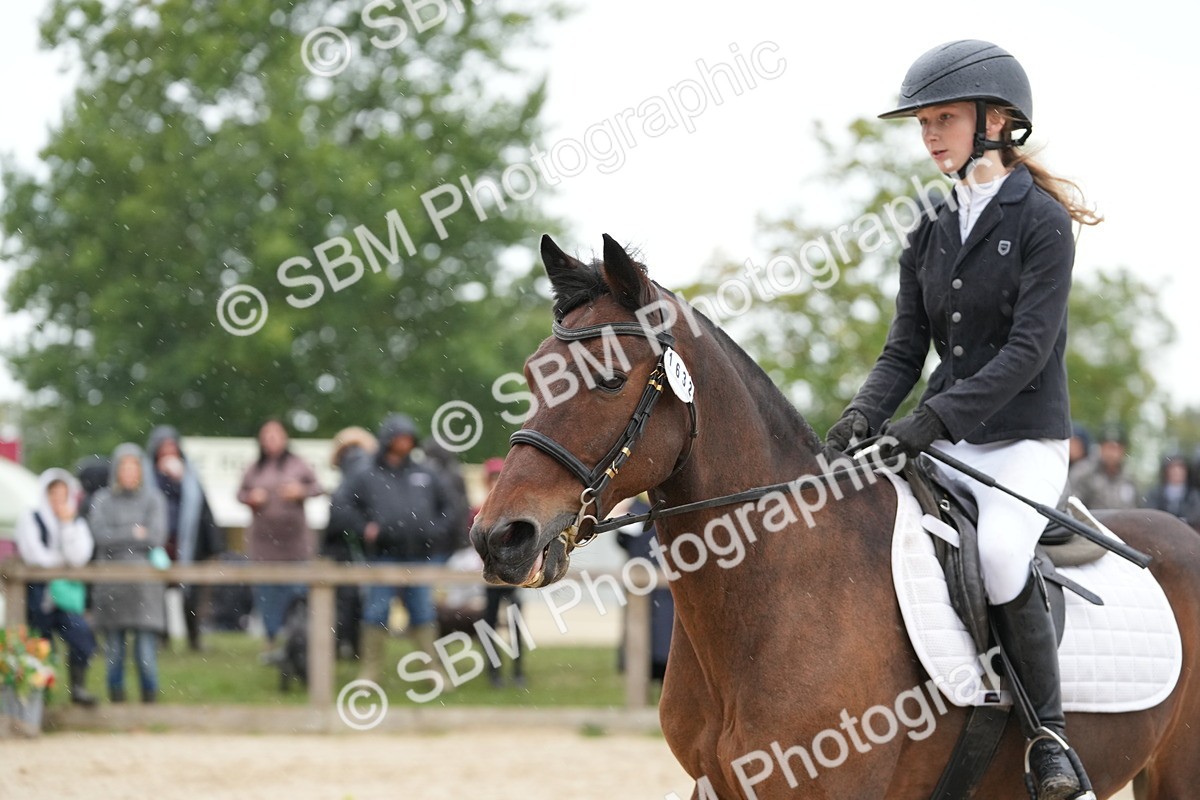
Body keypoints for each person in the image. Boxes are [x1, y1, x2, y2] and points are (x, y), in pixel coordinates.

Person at [824, 40, 1099, 798]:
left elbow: (1027, 351)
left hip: (1023, 442)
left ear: (996, 121)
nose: (930, 135)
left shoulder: (1042, 221)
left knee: (1003, 555)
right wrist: (859, 418)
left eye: (943, 119)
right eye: (923, 123)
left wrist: (934, 419)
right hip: (945, 439)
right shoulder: (930, 224)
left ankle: (1049, 740)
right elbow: (904, 349)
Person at [342, 413, 455, 682]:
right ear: (388, 439)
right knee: (376, 611)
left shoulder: (425, 472)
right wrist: (364, 528)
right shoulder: (366, 473)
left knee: (423, 611)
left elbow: (451, 507)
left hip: (420, 556)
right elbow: (342, 505)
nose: (405, 442)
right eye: (400, 437)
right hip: (382, 556)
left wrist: (434, 530)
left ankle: (432, 670)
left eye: (408, 438)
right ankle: (370, 672)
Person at [236, 419, 324, 657]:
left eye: (276, 435)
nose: (272, 440)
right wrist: (252, 498)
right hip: (263, 546)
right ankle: (271, 639)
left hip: (295, 546)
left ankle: (296, 641)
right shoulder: (254, 468)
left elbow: (318, 488)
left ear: (285, 438)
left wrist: (300, 492)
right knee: (267, 596)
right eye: (267, 435)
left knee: (296, 594)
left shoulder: (298, 464)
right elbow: (240, 494)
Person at [89, 444, 168, 703]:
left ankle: (149, 704)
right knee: (114, 652)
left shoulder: (153, 499)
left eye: (134, 467)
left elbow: (156, 536)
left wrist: (120, 536)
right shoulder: (102, 500)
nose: (129, 472)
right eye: (124, 466)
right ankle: (116, 704)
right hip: (112, 586)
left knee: (145, 654)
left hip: (145, 587)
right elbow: (101, 536)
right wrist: (134, 532)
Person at [15, 468, 100, 706]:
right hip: (38, 597)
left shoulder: (76, 522)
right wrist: (61, 562)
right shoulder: (32, 518)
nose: (58, 500)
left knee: (81, 636)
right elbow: (34, 555)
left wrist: (66, 526)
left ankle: (78, 687)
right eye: (53, 494)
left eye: (63, 494)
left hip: (66, 598)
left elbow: (79, 556)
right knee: (40, 647)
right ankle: (38, 699)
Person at [146, 425, 223, 651]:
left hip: (187, 542)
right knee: (156, 590)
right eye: (164, 448)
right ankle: (162, 637)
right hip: (160, 542)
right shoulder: (148, 476)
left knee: (191, 593)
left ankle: (194, 638)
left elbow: (203, 511)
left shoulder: (189, 477)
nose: (168, 452)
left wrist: (214, 546)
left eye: (172, 447)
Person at [323, 425, 378, 659]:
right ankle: (356, 648)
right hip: (359, 546)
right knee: (359, 599)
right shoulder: (368, 469)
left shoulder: (352, 471)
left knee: (344, 600)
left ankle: (341, 647)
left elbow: (340, 510)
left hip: (345, 546)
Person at [471, 457, 526, 688]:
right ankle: (494, 671)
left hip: (512, 576)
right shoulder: (479, 511)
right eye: (492, 479)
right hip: (490, 577)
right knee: (490, 622)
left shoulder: (518, 511)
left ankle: (517, 670)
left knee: (515, 624)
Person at [615, 494, 673, 685]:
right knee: (649, 638)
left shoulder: (671, 506)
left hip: (668, 589)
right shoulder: (634, 510)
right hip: (644, 589)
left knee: (665, 636)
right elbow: (622, 539)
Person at [1071, 425, 1138, 510]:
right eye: (1109, 447)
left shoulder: (1130, 478)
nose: (1112, 453)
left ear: (1123, 450)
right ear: (1100, 447)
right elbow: (1074, 506)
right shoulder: (1084, 472)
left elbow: (1137, 508)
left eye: (1116, 448)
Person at [1143, 455, 1200, 530]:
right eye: (1172, 468)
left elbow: (1195, 515)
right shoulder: (1155, 494)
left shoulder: (1193, 495)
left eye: (1180, 468)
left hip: (1187, 531)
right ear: (1166, 471)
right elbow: (1149, 513)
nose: (1176, 472)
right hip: (1159, 530)